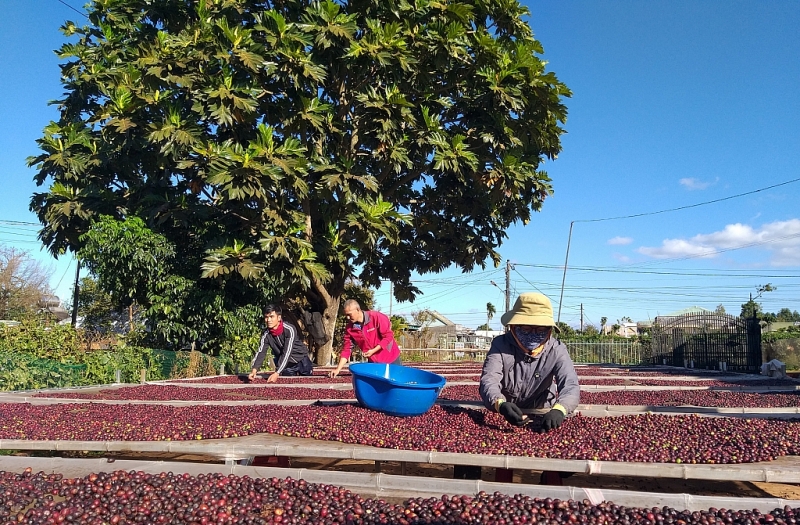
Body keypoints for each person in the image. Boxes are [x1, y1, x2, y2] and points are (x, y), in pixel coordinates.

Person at [479, 292, 580, 433]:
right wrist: (500, 404)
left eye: (540, 329)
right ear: (514, 327)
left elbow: (570, 384)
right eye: (525, 329)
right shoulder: (500, 345)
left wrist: (560, 409)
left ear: (549, 330)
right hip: (505, 411)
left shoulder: (557, 349)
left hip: (542, 409)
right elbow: (489, 379)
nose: (533, 334)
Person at [329, 299, 401, 377]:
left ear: (357, 309)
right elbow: (347, 349)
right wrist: (338, 369)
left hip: (391, 358)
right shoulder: (350, 328)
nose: (348, 318)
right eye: (346, 315)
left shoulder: (376, 317)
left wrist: (373, 350)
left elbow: (388, 337)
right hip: (374, 362)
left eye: (349, 314)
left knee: (397, 383)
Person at [249, 304, 314, 382]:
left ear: (279, 317)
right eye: (266, 317)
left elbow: (287, 352)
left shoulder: (289, 329)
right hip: (287, 366)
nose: (268, 320)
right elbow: (261, 352)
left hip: (302, 361)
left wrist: (277, 372)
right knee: (289, 388)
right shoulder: (266, 334)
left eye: (271, 317)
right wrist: (254, 370)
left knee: (308, 384)